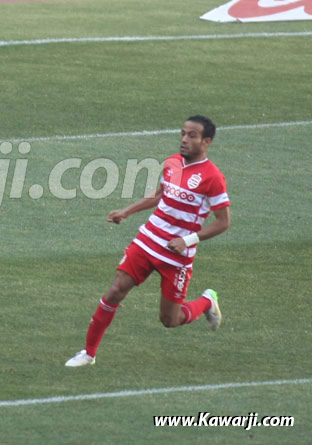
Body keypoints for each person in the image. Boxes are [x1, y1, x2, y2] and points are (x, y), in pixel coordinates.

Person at [65, 115, 230, 367]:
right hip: (147, 240)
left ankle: (207, 301)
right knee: (115, 291)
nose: (184, 140)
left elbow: (223, 222)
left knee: (169, 320)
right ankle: (89, 353)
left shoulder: (212, 178)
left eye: (191, 136)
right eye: (183, 133)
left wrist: (188, 240)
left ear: (206, 141)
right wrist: (126, 211)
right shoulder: (172, 163)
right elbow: (159, 197)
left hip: (176, 255)